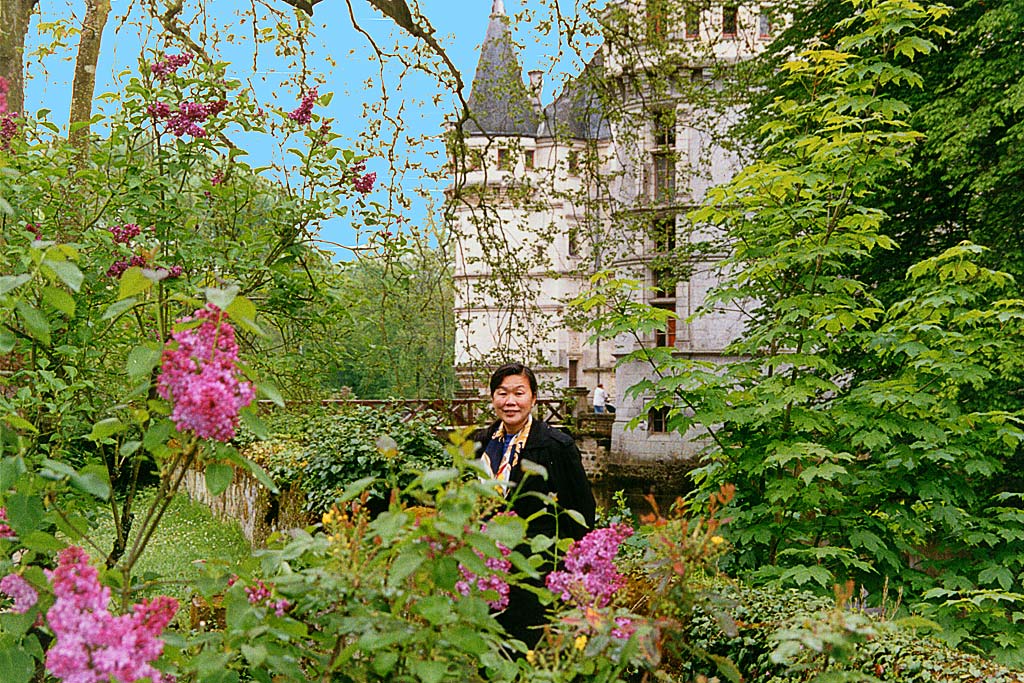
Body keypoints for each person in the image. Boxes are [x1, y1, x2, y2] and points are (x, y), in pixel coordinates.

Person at [475, 363, 596, 649]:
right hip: (491, 570)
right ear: (492, 398)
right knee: (493, 650)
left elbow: (582, 512)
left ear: (533, 398)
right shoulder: (481, 442)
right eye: (502, 393)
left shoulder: (556, 446)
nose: (510, 401)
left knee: (533, 649)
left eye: (519, 393)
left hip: (537, 571)